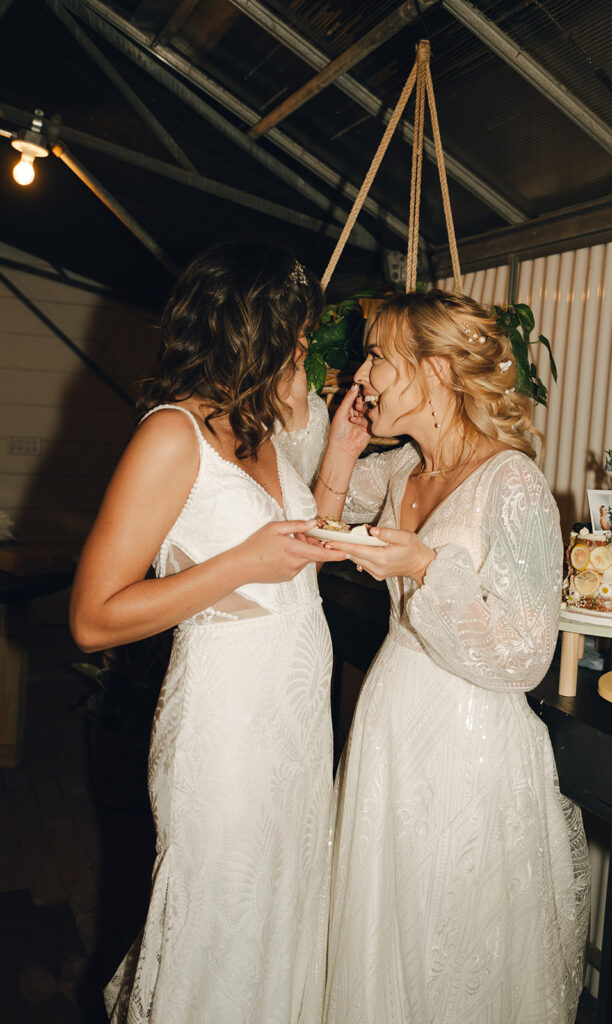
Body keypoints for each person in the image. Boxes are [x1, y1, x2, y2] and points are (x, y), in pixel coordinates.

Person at [69, 241, 346, 1023]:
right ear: (250, 330)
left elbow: (293, 562)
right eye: (293, 332)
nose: (303, 347)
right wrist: (238, 564)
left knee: (280, 926)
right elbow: (92, 618)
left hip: (292, 725)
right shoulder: (171, 436)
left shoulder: (256, 432)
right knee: (223, 933)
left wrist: (342, 456)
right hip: (225, 731)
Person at [315, 291, 590, 1024]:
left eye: (377, 355)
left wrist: (423, 568)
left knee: (455, 958)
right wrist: (342, 451)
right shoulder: (400, 471)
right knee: (380, 947)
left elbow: (526, 657)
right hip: (389, 729)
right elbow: (321, 528)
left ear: (434, 371)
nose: (361, 372)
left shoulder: (514, 484)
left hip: (469, 753)